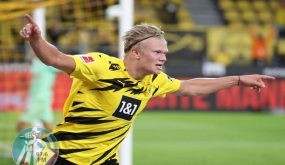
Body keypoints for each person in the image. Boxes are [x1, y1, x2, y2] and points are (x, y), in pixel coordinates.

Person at [19, 14, 275, 165]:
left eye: (165, 52)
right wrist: (37, 40)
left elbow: (190, 87)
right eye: (158, 52)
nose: (164, 57)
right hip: (66, 159)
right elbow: (56, 58)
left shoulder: (154, 81)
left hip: (106, 161)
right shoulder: (100, 66)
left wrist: (239, 79)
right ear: (136, 53)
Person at [18, 57, 59, 132]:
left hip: (38, 99)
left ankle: (25, 143)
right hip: (43, 98)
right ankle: (63, 141)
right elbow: (32, 82)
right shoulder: (36, 63)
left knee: (22, 122)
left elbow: (64, 67)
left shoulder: (50, 63)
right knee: (48, 125)